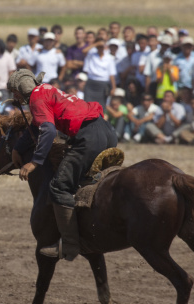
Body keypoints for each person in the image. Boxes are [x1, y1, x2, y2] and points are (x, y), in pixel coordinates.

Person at [7, 69, 118, 261]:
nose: (13, 96)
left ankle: (71, 245)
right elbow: (37, 125)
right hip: (106, 131)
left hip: (89, 137)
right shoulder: (47, 90)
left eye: (14, 92)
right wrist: (18, 148)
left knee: (58, 187)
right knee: (80, 180)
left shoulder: (35, 98)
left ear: (22, 89)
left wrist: (34, 162)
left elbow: (48, 131)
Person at [82, 37, 116, 108]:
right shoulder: (91, 55)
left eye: (102, 46)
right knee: (88, 105)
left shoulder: (109, 58)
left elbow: (111, 74)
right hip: (91, 82)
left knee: (101, 105)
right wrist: (96, 44)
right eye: (99, 47)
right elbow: (84, 51)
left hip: (103, 83)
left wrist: (113, 88)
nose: (100, 48)